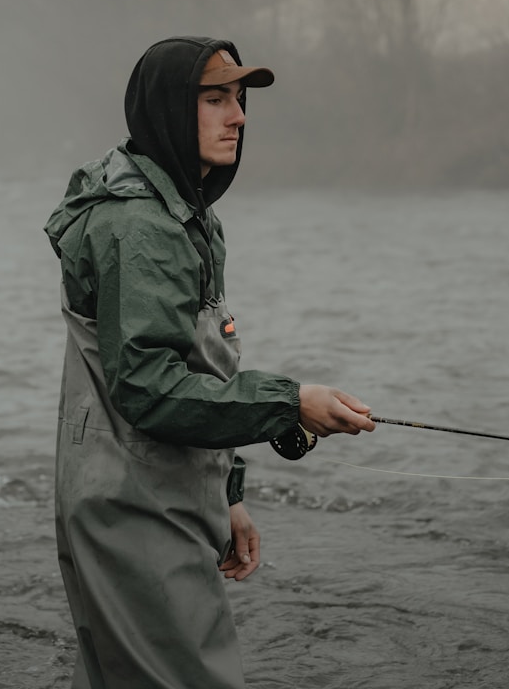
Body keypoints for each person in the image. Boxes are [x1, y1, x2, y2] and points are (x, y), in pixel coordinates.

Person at [44, 36, 375, 689]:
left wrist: (226, 495)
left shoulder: (184, 214)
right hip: (134, 510)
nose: (239, 116)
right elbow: (149, 387)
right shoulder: (142, 227)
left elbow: (196, 367)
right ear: (169, 109)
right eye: (216, 99)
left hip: (149, 494)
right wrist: (291, 402)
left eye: (240, 99)